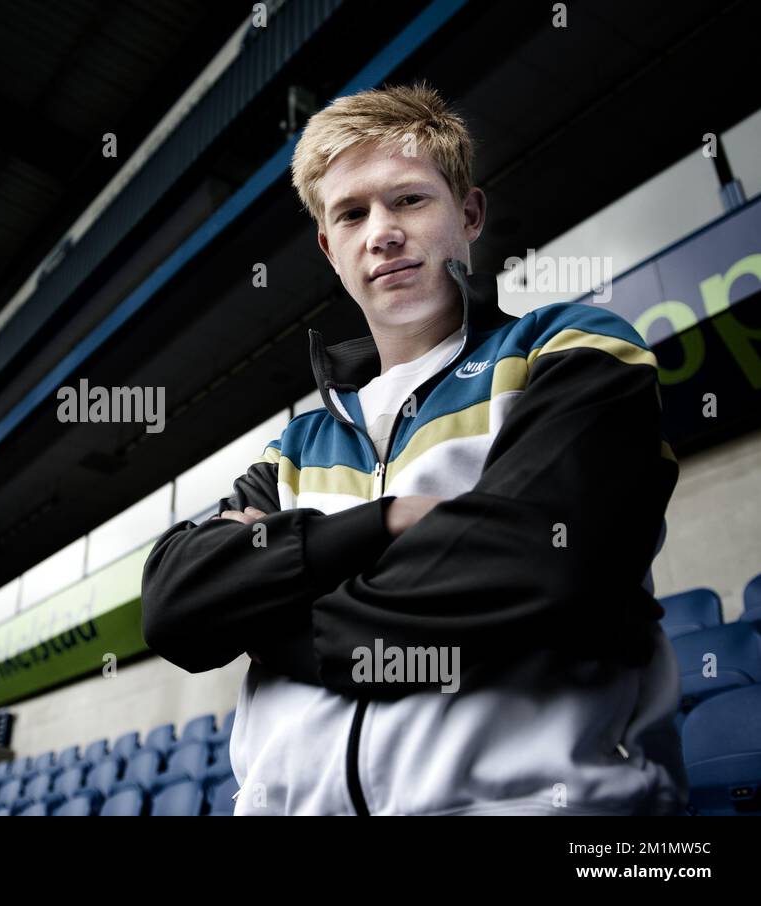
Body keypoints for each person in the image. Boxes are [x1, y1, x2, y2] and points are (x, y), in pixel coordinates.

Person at [139, 82, 686, 815]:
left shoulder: (569, 347)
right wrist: (389, 521)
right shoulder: (298, 447)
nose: (382, 233)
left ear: (468, 215)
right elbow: (175, 603)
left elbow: (542, 566)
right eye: (352, 214)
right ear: (330, 249)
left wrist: (276, 621)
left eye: (409, 201)